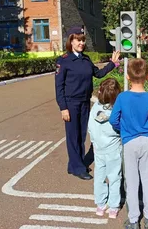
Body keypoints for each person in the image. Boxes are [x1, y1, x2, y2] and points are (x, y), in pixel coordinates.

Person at [55, 25, 120, 180]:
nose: (81, 43)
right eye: (78, 40)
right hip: (71, 103)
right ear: (71, 41)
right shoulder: (64, 61)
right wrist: (63, 108)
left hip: (84, 102)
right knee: (73, 136)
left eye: (83, 40)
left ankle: (73, 165)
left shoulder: (86, 59)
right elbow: (59, 87)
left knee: (82, 135)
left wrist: (112, 63)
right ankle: (78, 167)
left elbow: (97, 74)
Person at [109, 58, 148, 229]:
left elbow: (113, 120)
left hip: (129, 141)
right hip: (146, 141)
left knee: (131, 182)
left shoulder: (123, 97)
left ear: (127, 77)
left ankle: (133, 220)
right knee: (147, 180)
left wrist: (123, 129)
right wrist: (146, 127)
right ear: (147, 77)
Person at [88, 78, 122, 219]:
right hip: (113, 147)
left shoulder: (96, 107)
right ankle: (113, 206)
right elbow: (117, 129)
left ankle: (100, 204)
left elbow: (90, 127)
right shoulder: (115, 110)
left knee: (100, 176)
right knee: (114, 177)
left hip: (98, 147)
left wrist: (94, 142)